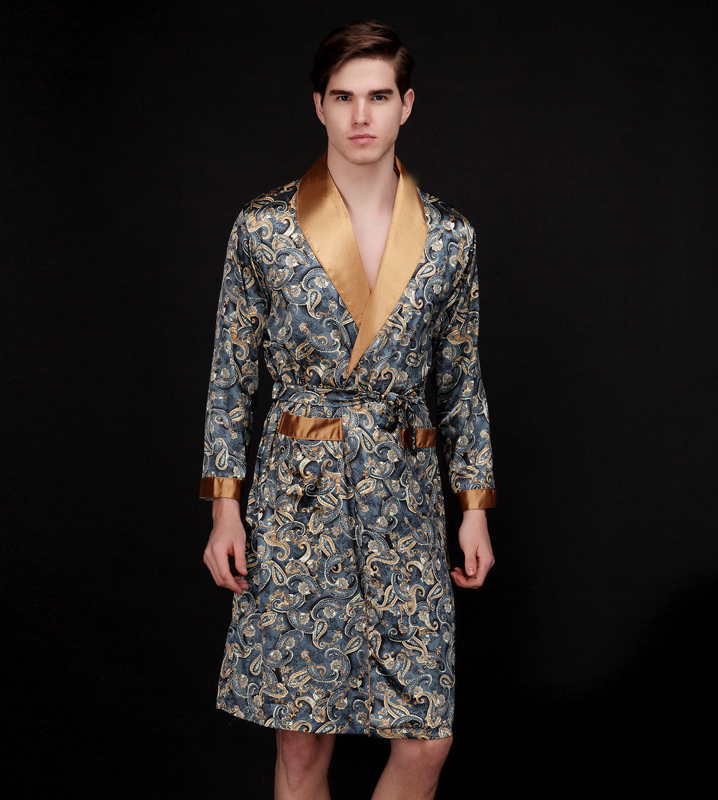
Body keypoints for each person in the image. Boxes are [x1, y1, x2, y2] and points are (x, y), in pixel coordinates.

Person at [199, 19, 497, 800]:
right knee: (302, 747)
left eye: (378, 97)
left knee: (425, 743)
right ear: (319, 106)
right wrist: (225, 509)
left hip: (406, 498)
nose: (361, 115)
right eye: (343, 97)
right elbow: (232, 376)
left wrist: (473, 509)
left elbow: (461, 380)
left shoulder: (450, 237)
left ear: (407, 105)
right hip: (298, 499)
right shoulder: (263, 227)